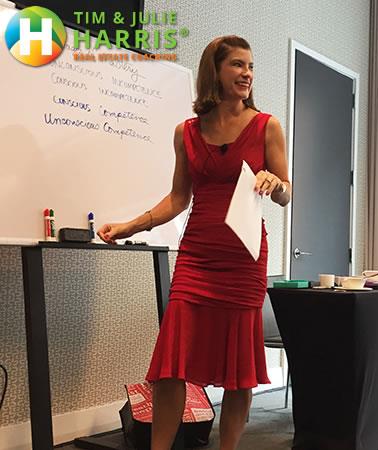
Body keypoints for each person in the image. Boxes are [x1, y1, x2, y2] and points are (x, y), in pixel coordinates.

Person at [97, 35, 291, 450]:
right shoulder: (185, 132)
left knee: (239, 372)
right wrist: (131, 226)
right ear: (214, 71)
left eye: (250, 66)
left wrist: (275, 183)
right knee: (171, 367)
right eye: (237, 64)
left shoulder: (267, 126)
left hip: (243, 260)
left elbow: (286, 192)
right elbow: (177, 198)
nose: (247, 74)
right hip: (196, 257)